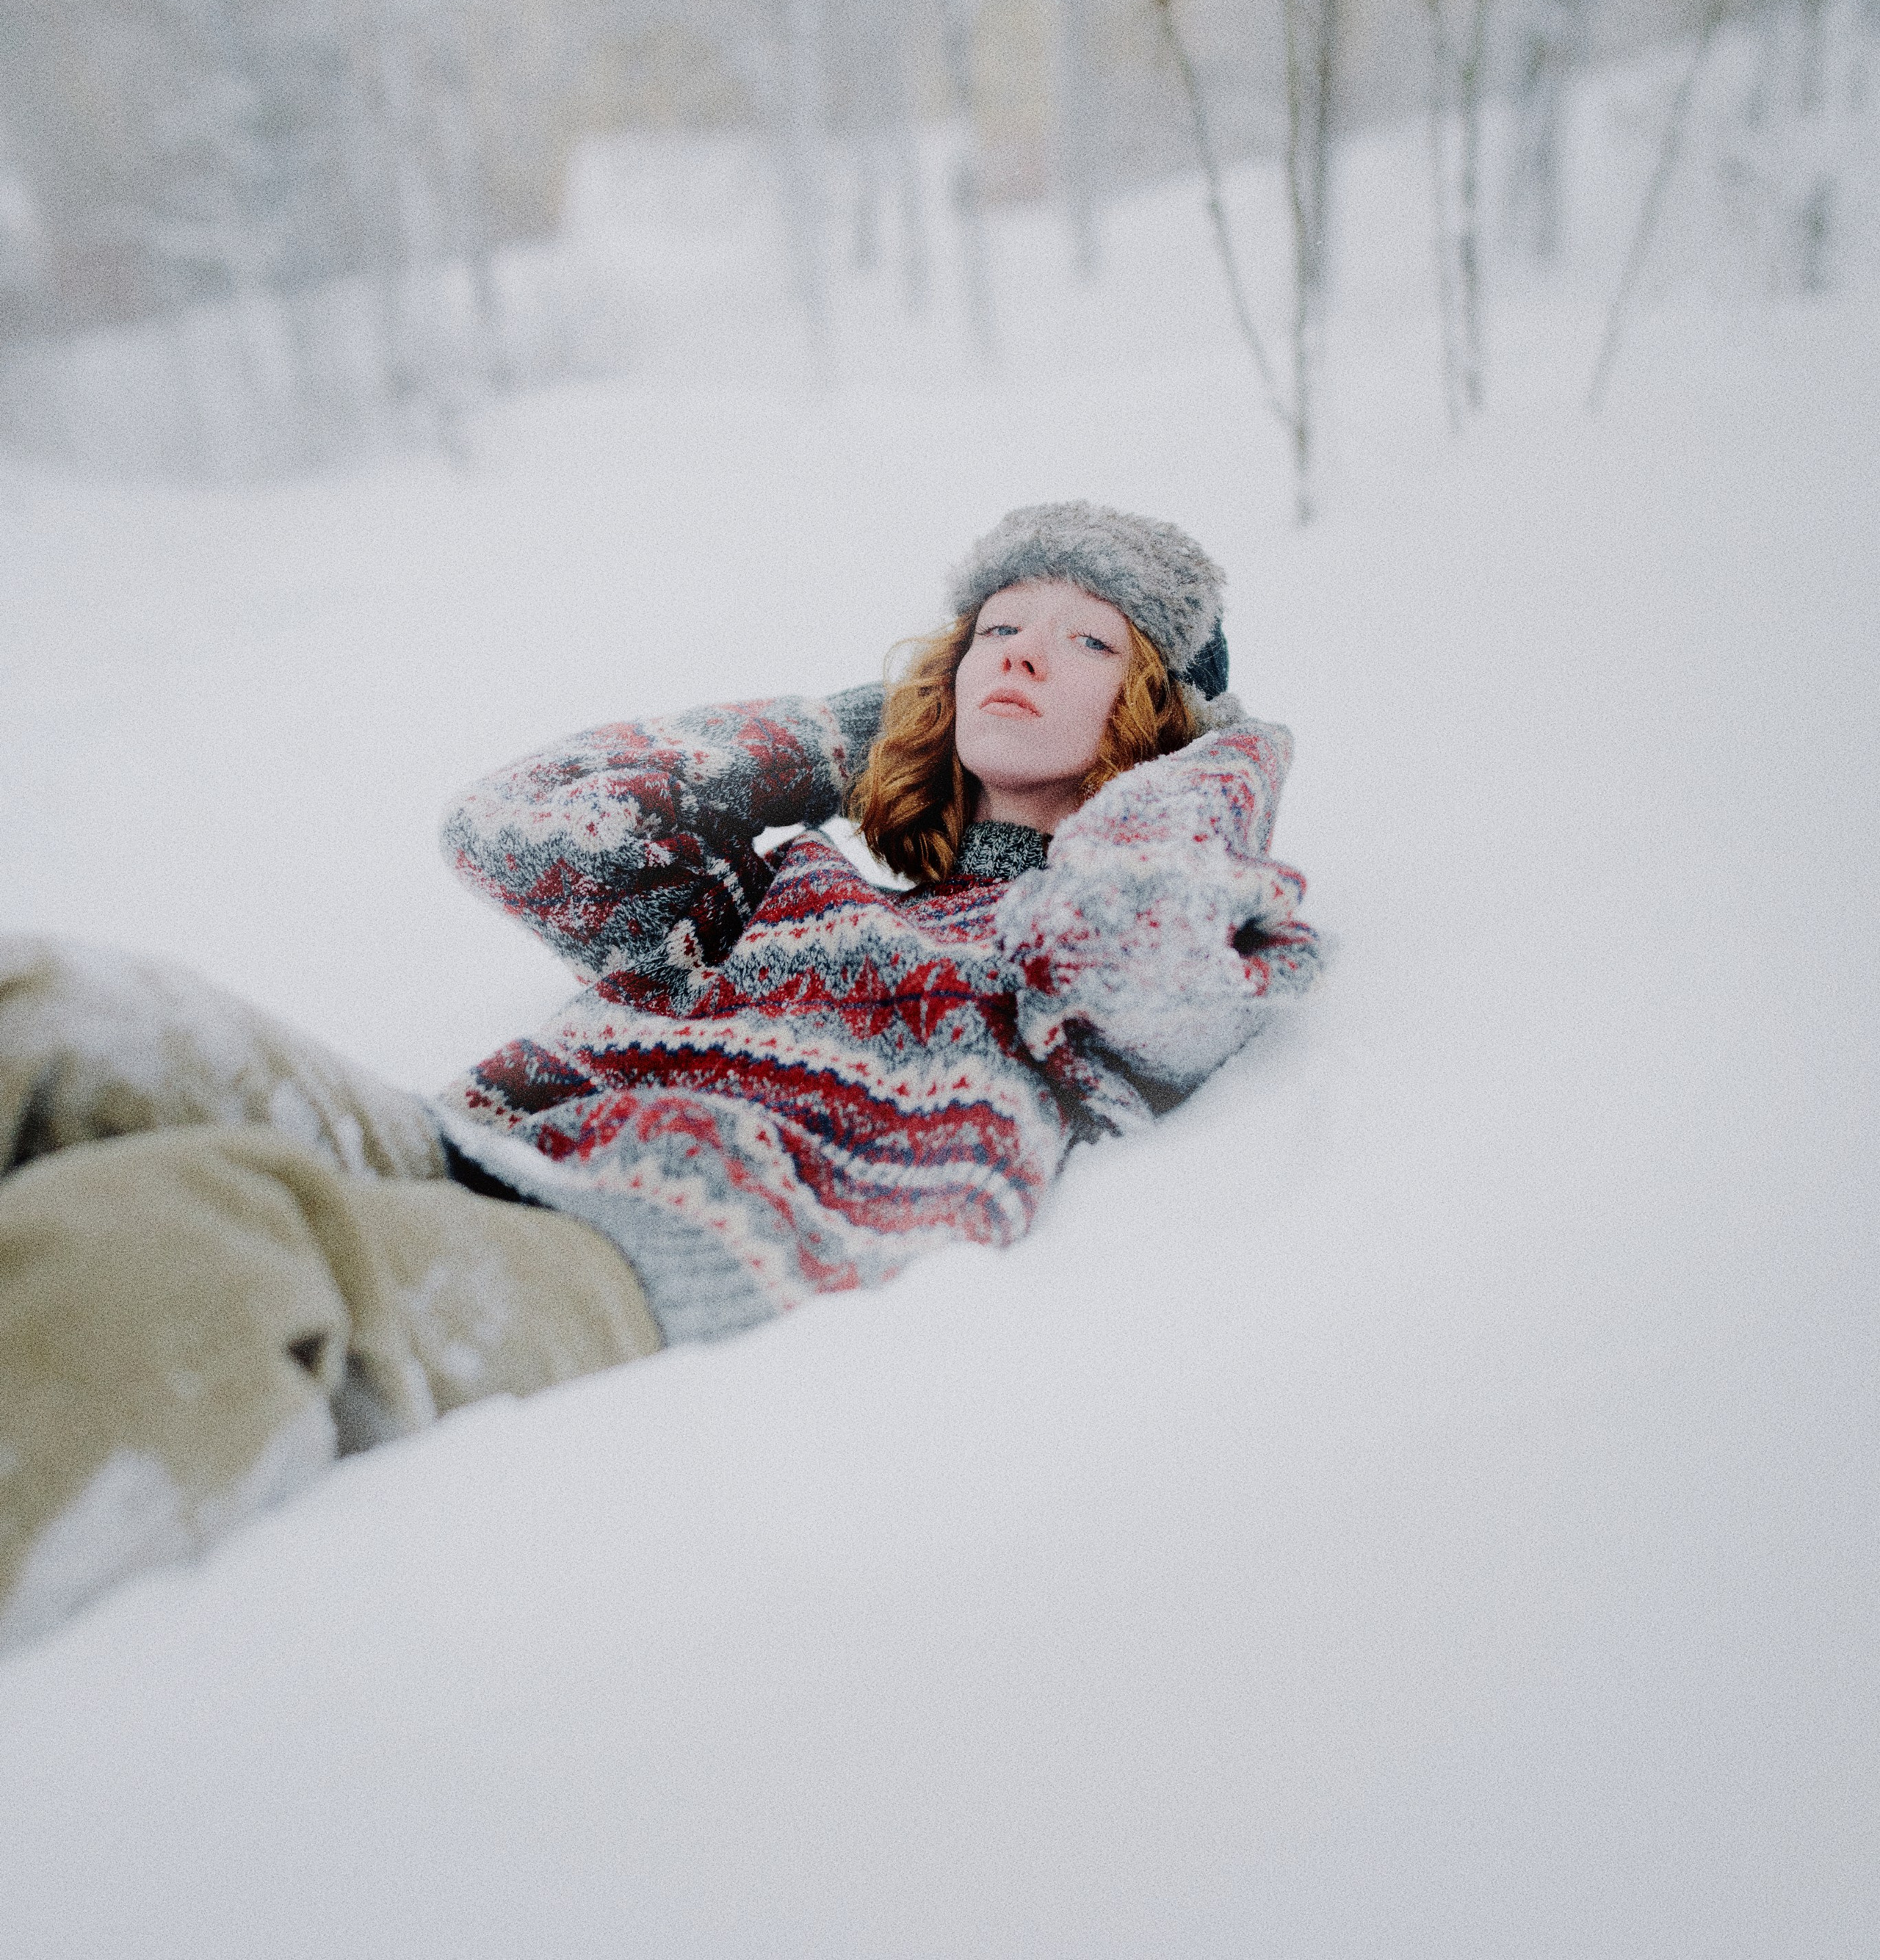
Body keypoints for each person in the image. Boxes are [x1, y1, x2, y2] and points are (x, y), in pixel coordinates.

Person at [0, 502, 1320, 1652]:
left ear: (1152, 714)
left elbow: (1153, 924)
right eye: (995, 628)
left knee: (186, 1236)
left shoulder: (1065, 963)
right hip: (475, 1141)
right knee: (56, 1007)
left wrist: (1208, 753)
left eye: (1089, 640)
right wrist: (876, 732)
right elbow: (521, 823)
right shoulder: (778, 890)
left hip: (669, 1245)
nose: (1023, 651)